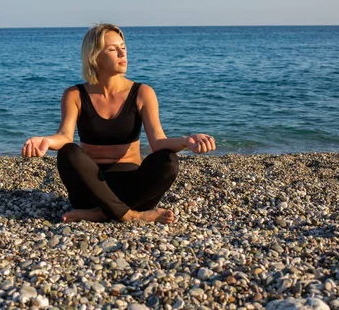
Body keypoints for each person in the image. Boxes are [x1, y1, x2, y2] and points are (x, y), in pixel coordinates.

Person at [22, 23, 215, 223]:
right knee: (68, 152)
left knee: (168, 161)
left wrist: (187, 141)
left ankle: (100, 213)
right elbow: (64, 136)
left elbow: (158, 142)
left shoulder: (142, 93)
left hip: (133, 188)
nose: (122, 54)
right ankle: (130, 215)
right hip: (90, 189)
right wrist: (44, 141)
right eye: (113, 49)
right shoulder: (75, 95)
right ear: (94, 56)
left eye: (123, 47)